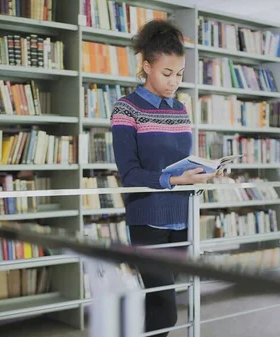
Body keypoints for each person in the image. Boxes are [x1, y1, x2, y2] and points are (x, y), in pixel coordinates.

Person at [109, 19, 214, 336]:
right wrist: (173, 181)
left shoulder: (181, 109)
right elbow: (129, 174)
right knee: (166, 311)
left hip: (181, 220)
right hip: (147, 219)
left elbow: (182, 160)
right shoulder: (126, 109)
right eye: (166, 73)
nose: (174, 82)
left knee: (157, 306)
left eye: (179, 74)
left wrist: (202, 171)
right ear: (146, 67)